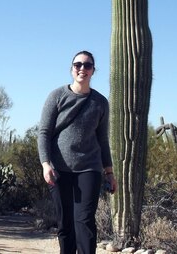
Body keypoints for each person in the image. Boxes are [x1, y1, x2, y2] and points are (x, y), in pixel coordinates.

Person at [37, 50, 117, 254]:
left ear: (93, 71)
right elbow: (44, 133)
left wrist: (109, 172)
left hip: (89, 168)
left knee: (85, 221)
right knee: (65, 224)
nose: (82, 69)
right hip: (58, 169)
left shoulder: (100, 102)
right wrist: (46, 164)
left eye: (87, 65)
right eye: (78, 65)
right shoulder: (56, 96)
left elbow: (102, 139)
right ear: (72, 69)